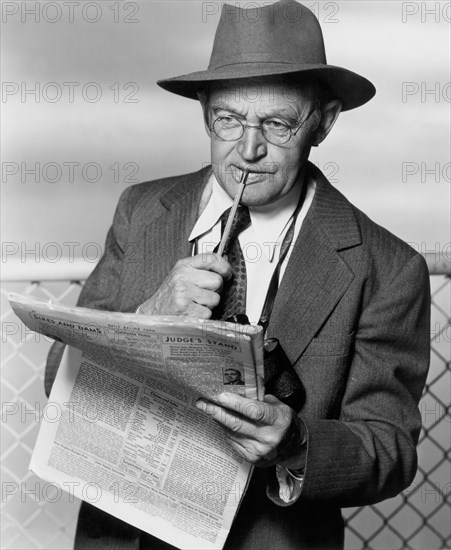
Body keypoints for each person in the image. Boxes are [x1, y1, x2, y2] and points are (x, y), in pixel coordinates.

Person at [45, 1, 430, 549]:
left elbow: (389, 450)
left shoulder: (388, 268)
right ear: (205, 112)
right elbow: (56, 380)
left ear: (322, 122)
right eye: (228, 119)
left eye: (277, 123)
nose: (248, 150)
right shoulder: (141, 210)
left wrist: (296, 444)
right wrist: (147, 318)